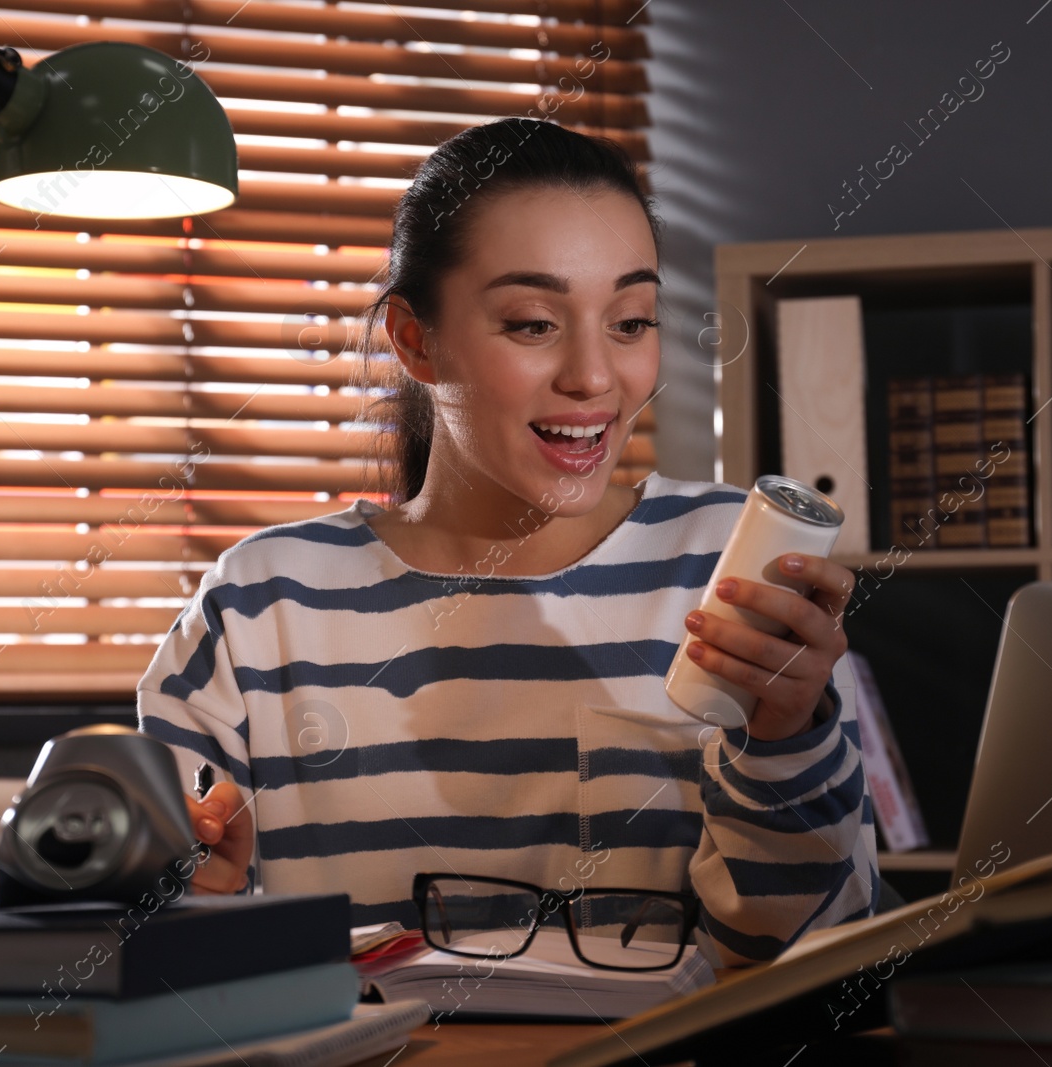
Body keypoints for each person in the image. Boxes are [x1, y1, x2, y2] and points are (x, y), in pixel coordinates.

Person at [136, 118, 877, 966]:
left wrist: (788, 743)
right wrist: (193, 901)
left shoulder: (727, 570)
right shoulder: (260, 602)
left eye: (632, 321)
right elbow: (155, 951)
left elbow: (807, 959)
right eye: (533, 323)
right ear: (417, 340)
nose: (595, 376)